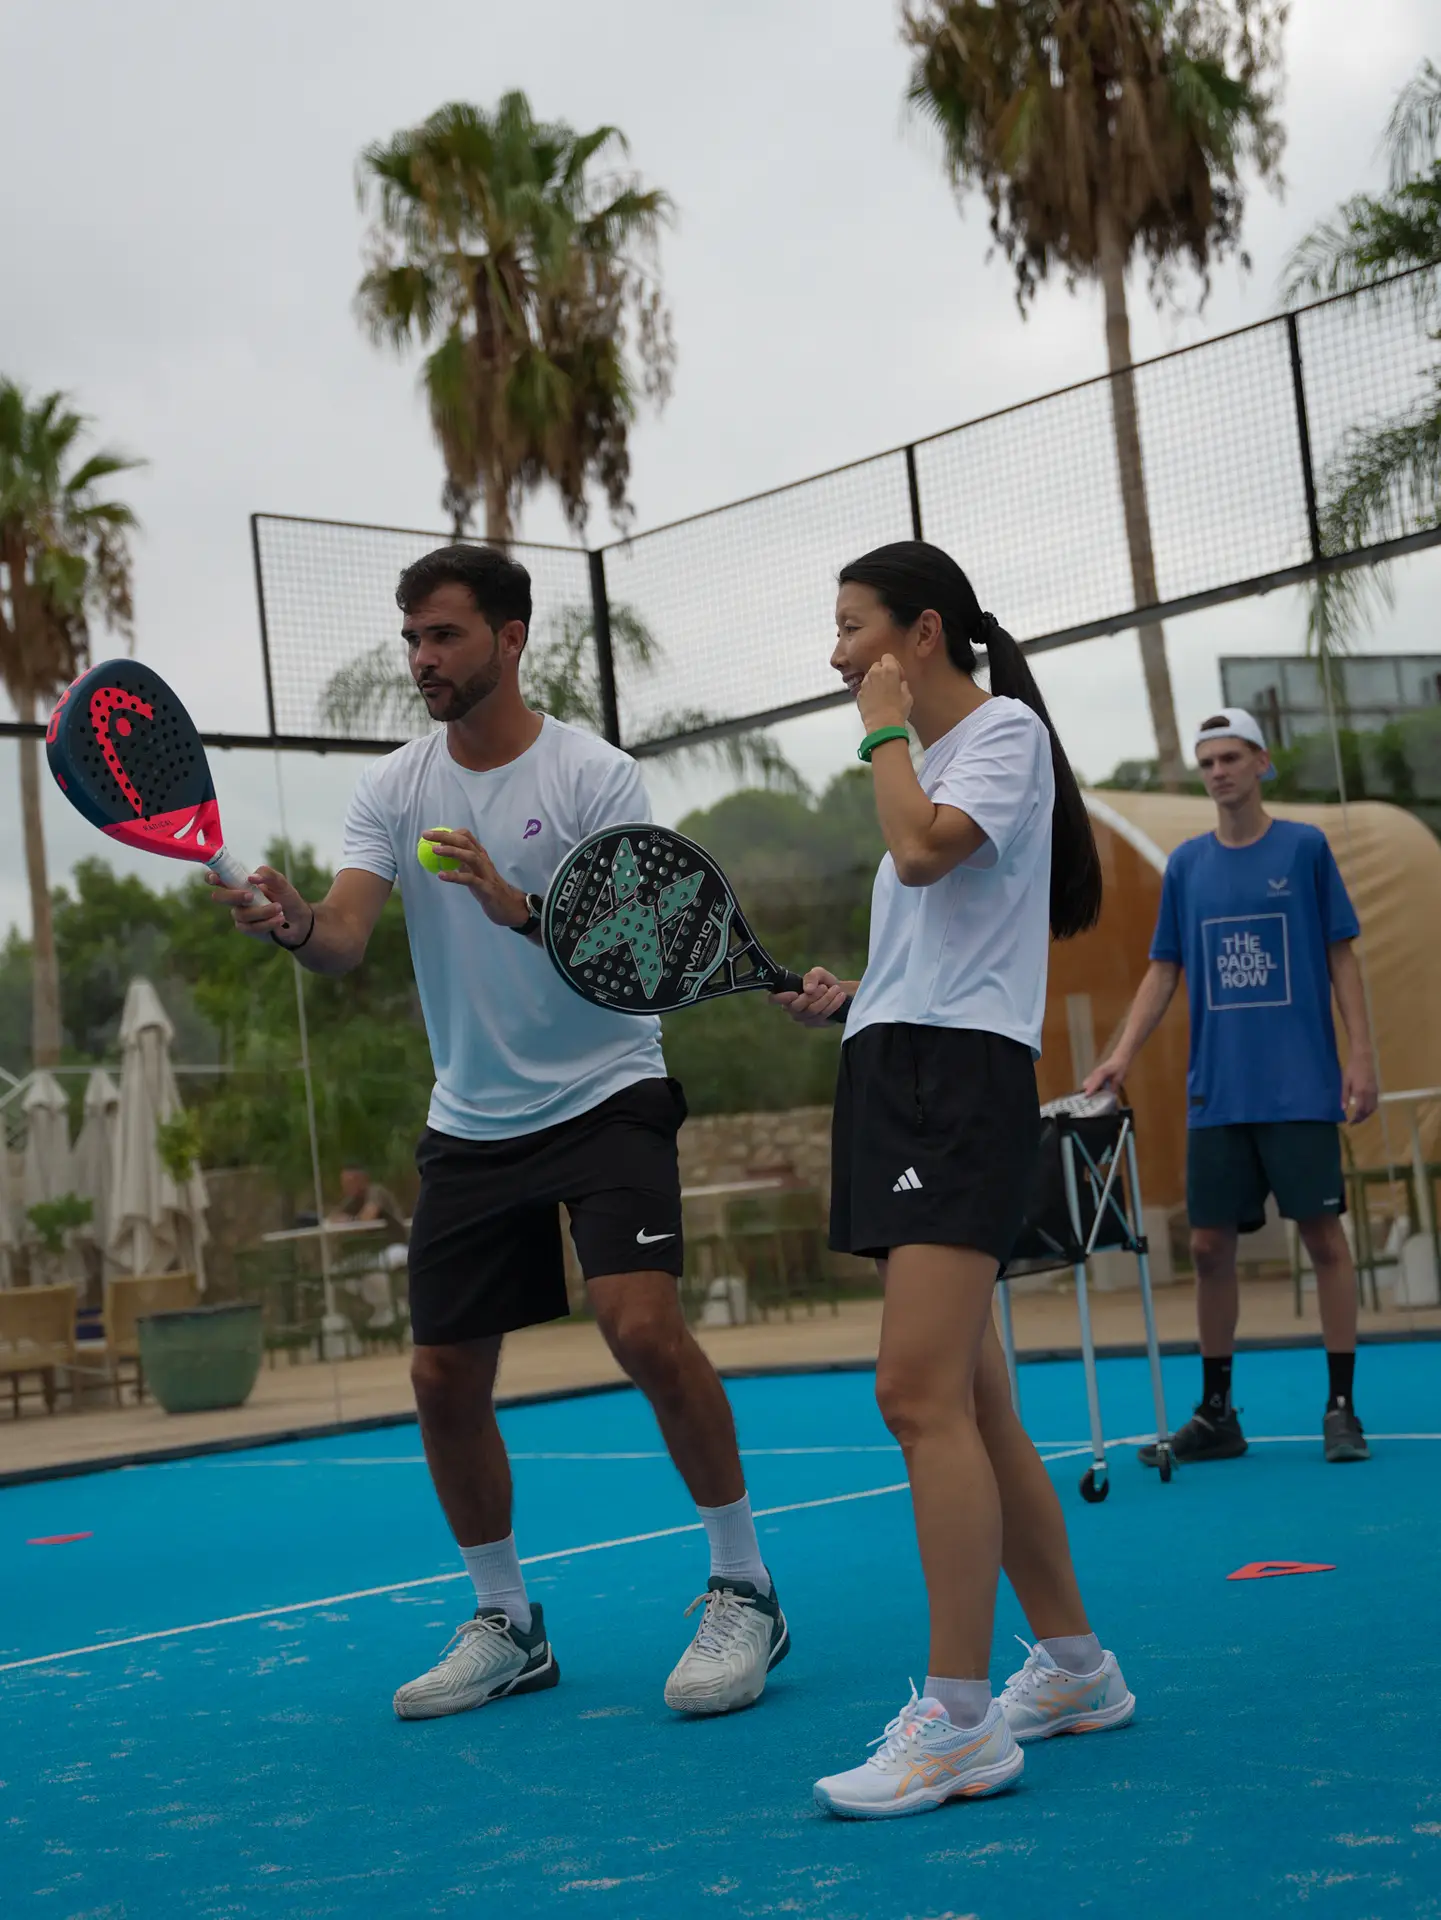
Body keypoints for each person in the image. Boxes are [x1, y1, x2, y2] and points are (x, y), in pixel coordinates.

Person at [208, 544, 788, 1722]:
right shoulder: (394, 788)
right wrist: (285, 921)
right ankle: (509, 1623)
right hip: (471, 1118)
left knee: (641, 1324)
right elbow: (344, 937)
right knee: (439, 1377)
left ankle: (746, 1588)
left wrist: (514, 907)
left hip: (608, 1085)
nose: (422, 658)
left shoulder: (594, 776)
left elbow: (635, 957)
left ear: (510, 638)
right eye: (412, 638)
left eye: (445, 636)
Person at [775, 540, 1131, 1821]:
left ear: (921, 634)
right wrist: (854, 1001)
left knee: (913, 1392)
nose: (836, 656)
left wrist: (881, 738)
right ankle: (1078, 1670)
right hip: (901, 1069)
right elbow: (939, 930)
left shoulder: (1000, 741)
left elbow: (925, 852)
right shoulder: (934, 764)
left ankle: (960, 1719)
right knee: (973, 1406)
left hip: (955, 1091)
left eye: (851, 627)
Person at [1085, 708, 1377, 1466]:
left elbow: (1341, 957)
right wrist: (1118, 1055)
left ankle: (1340, 1408)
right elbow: (1163, 969)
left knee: (1321, 1239)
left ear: (1261, 764)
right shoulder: (1185, 865)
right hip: (1216, 1093)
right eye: (1207, 760)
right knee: (1209, 1246)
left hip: (1300, 1088)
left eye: (1230, 758)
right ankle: (1216, 1415)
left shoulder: (1305, 849)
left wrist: (1361, 1056)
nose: (1217, 771)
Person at [329, 1164, 407, 1241]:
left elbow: (366, 1220)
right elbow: (333, 1218)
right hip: (373, 1246)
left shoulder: (376, 1192)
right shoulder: (352, 1200)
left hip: (395, 1242)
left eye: (350, 1182)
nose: (345, 1186)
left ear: (362, 1180)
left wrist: (348, 1220)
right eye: (344, 1183)